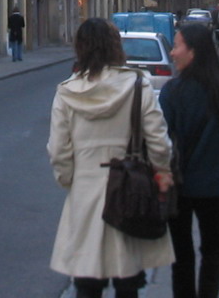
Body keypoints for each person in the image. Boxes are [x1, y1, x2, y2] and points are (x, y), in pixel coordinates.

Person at [47, 18, 175, 298]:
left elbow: (58, 150)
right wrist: (162, 171)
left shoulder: (67, 92)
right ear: (115, 47)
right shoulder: (136, 85)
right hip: (130, 189)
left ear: (80, 48)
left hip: (85, 189)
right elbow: (158, 140)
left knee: (87, 278)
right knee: (127, 278)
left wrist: (70, 180)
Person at [159, 22, 219, 298]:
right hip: (213, 185)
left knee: (181, 256)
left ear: (192, 51)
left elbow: (163, 142)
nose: (172, 53)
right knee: (213, 251)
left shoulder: (171, 92)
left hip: (179, 186)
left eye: (177, 46)